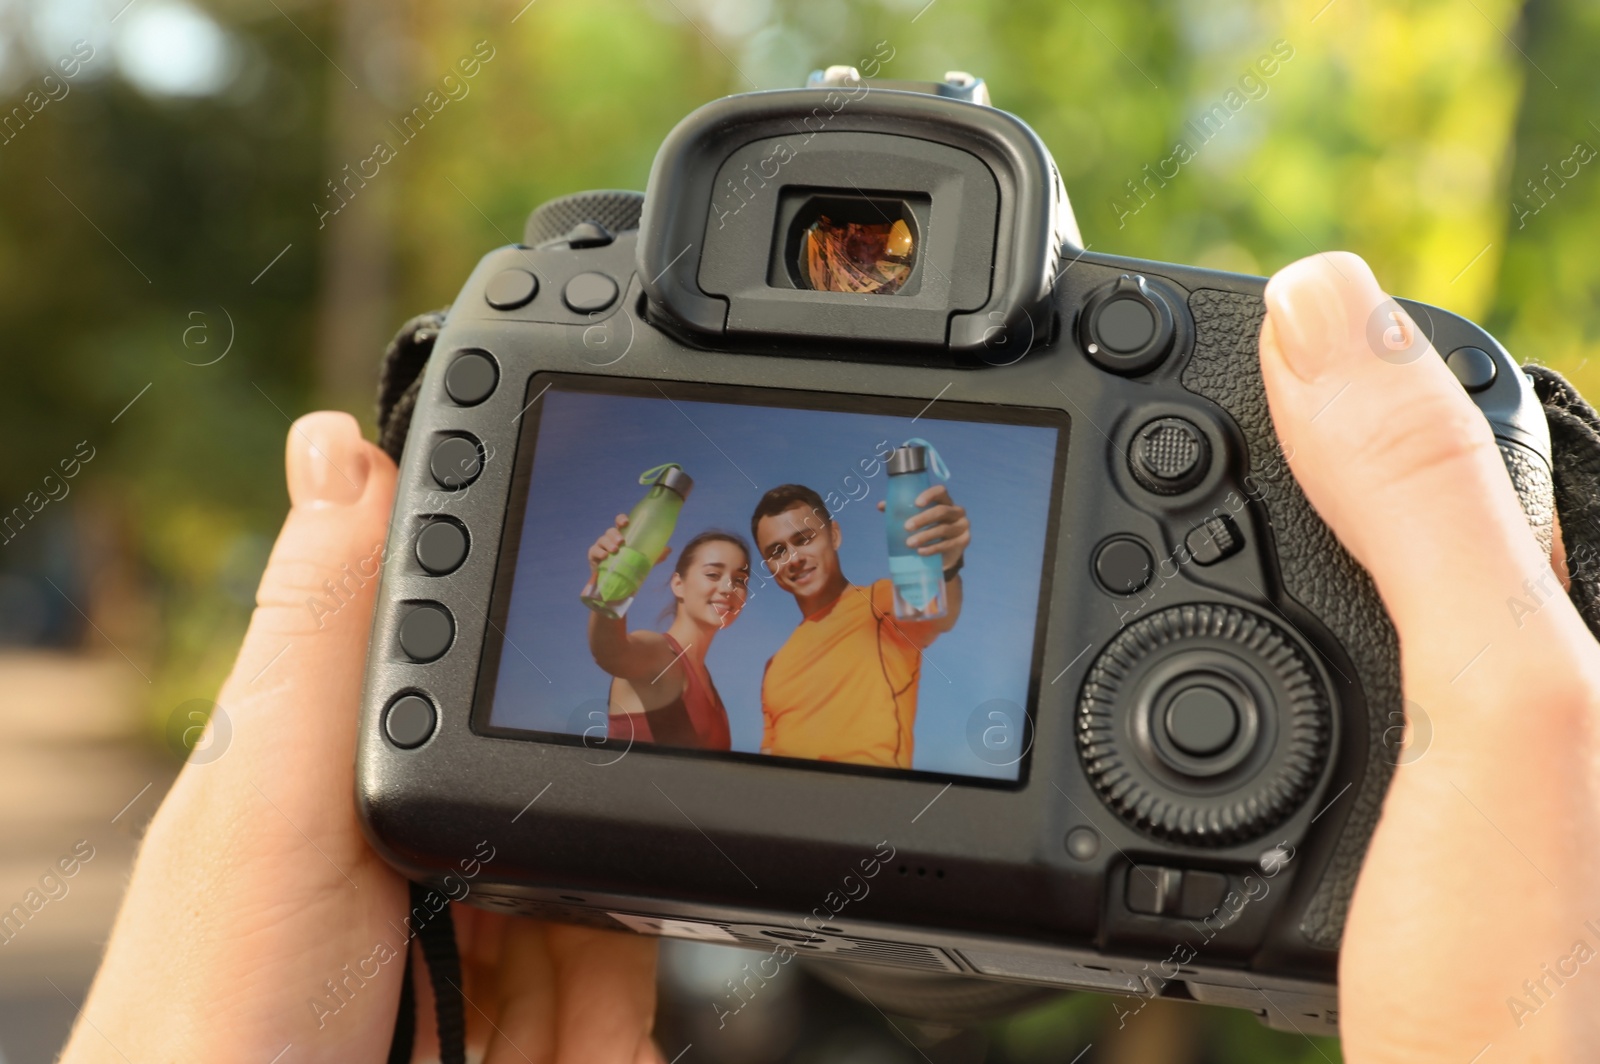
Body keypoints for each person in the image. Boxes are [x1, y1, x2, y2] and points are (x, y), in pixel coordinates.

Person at [59, 254, 1600, 1063]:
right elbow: (623, 648)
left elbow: (933, 585)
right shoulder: (689, 660)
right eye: (741, 561)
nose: (761, 572)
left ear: (821, 555)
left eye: (780, 554)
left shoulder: (871, 609)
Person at [749, 480, 969, 769]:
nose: (794, 559)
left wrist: (947, 565)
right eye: (777, 551)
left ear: (835, 535)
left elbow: (941, 613)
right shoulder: (774, 667)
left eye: (804, 539)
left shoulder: (881, 603)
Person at [584, 519, 750, 749]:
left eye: (740, 579)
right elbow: (610, 653)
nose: (727, 588)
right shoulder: (660, 654)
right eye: (713, 574)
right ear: (678, 584)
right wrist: (610, 577)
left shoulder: (706, 681)